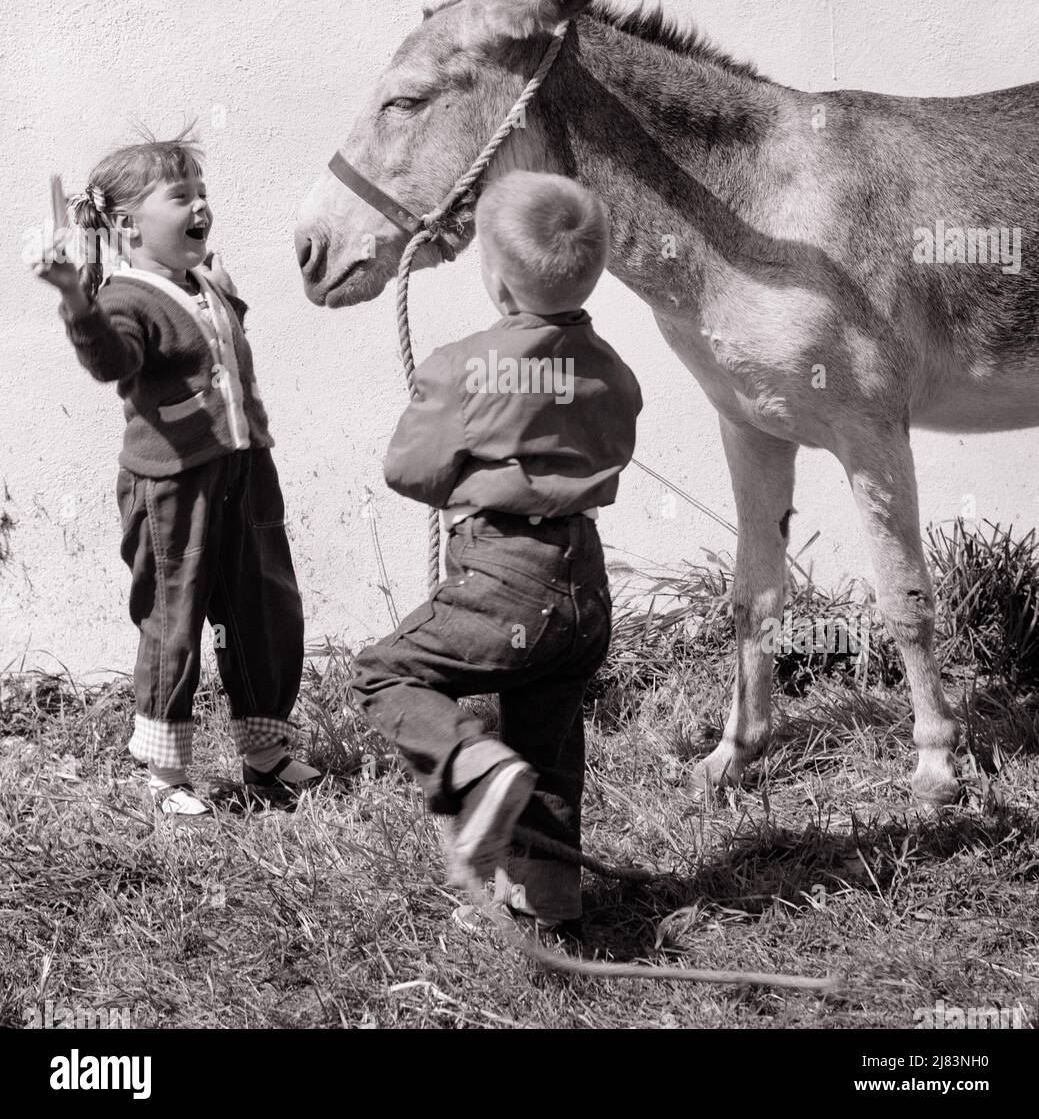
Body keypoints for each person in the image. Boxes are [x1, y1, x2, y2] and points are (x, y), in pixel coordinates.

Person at [351, 170, 642, 944]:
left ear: (497, 283)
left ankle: (471, 767)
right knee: (546, 743)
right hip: (582, 583)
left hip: (502, 575)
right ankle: (549, 904)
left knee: (386, 670)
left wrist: (484, 477)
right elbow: (611, 452)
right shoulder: (612, 366)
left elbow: (408, 469)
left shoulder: (461, 364)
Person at [28, 125, 318, 814]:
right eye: (181, 195)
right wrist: (75, 298)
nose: (200, 206)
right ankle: (165, 775)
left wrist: (225, 296)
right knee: (174, 617)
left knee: (262, 606)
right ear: (128, 226)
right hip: (173, 486)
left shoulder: (203, 281)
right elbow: (113, 362)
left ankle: (266, 752)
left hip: (245, 473)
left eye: (203, 193)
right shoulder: (123, 298)